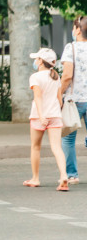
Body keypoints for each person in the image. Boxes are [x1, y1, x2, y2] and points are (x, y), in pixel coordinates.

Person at [25, 48, 69, 191]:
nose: (35, 61)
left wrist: (41, 115)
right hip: (55, 115)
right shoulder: (55, 77)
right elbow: (59, 100)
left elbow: (38, 97)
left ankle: (35, 178)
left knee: (35, 147)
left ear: (40, 61)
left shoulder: (35, 77)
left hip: (39, 116)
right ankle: (64, 175)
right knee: (57, 147)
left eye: (36, 58)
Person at [59, 16, 87, 184]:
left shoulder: (71, 48)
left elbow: (67, 75)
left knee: (68, 138)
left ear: (77, 30)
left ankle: (72, 175)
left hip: (74, 100)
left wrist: (59, 93)